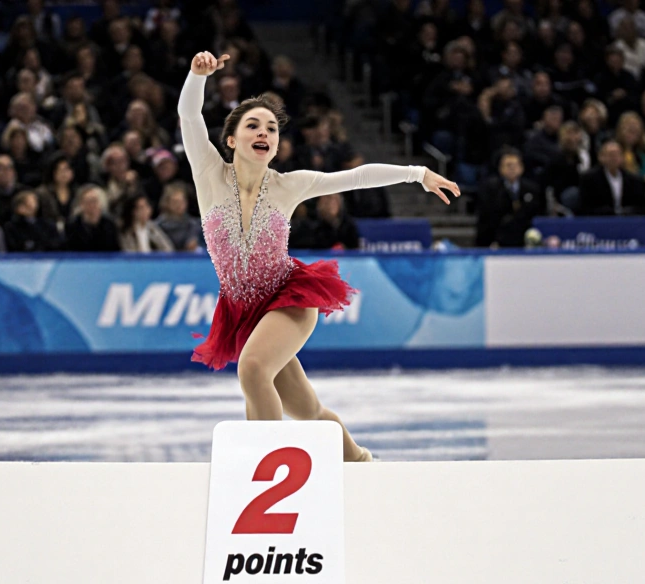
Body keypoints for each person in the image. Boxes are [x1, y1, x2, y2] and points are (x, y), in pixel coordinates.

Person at [179, 52, 459, 462]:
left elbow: (356, 177)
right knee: (306, 410)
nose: (264, 132)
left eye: (272, 128)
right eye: (253, 125)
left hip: (288, 299)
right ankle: (360, 461)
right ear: (231, 139)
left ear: (277, 144)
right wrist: (196, 76)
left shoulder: (290, 185)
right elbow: (189, 115)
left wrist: (417, 173)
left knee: (253, 369)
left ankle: (263, 470)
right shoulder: (208, 172)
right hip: (243, 309)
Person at [476, 149, 543, 247]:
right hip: (497, 240)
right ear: (500, 168)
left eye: (515, 165)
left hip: (524, 239)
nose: (512, 168)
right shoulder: (490, 189)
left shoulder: (532, 189)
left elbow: (537, 214)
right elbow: (486, 218)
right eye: (508, 165)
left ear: (522, 168)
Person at [576, 140, 645, 216]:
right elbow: (584, 208)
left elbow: (644, 205)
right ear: (601, 157)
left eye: (617, 154)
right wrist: (611, 212)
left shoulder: (632, 179)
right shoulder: (589, 179)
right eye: (611, 155)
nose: (614, 158)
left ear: (622, 158)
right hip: (600, 221)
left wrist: (627, 211)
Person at [65, 185, 121, 252]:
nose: (92, 205)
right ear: (81, 204)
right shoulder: (72, 225)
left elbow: (115, 249)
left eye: (94, 201)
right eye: (88, 201)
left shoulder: (110, 223)